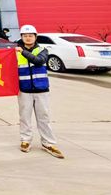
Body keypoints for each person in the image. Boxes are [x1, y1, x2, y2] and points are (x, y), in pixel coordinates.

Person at [16, 24, 65, 159]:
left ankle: (48, 143)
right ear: (21, 37)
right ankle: (25, 140)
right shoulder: (15, 52)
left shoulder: (43, 50)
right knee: (24, 117)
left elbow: (39, 61)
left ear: (35, 37)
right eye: (25, 36)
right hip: (24, 89)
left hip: (41, 89)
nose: (28, 38)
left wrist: (23, 52)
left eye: (30, 36)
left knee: (43, 117)